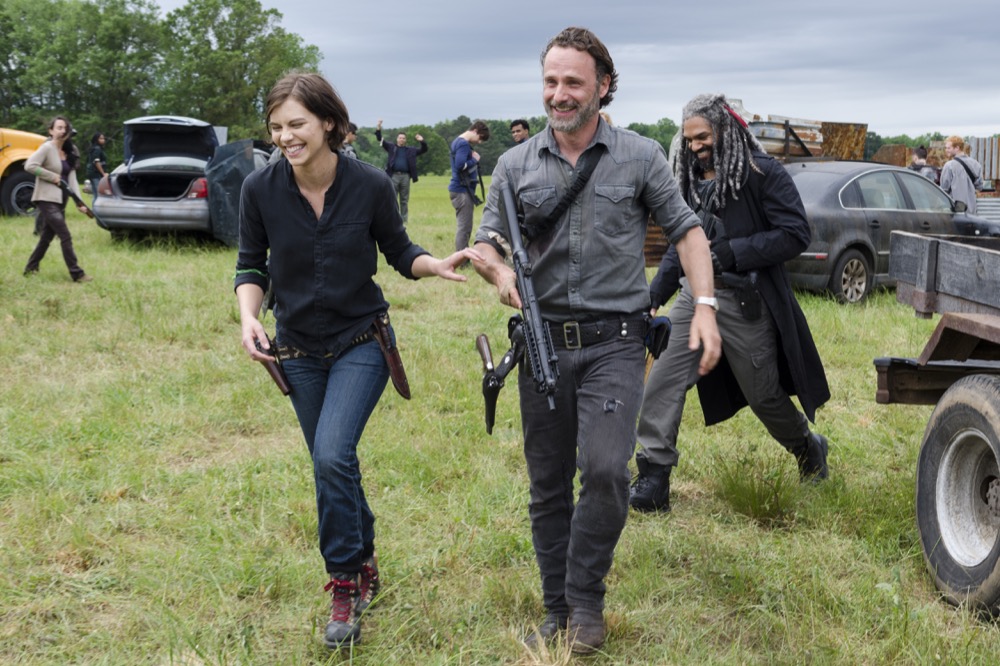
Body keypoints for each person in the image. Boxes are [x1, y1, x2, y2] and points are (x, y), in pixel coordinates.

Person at [471, 27, 721, 654]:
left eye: (572, 82)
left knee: (608, 471)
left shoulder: (639, 157)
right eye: (550, 82)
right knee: (548, 481)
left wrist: (707, 308)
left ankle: (587, 601)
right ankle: (558, 610)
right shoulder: (513, 165)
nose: (558, 95)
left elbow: (688, 233)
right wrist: (500, 271)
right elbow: (485, 241)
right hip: (541, 340)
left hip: (615, 341)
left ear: (603, 86)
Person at [234, 72, 480, 650]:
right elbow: (251, 266)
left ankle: (344, 582)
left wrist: (433, 264)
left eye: (296, 124)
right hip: (294, 349)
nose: (285, 137)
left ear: (328, 123)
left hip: (360, 343)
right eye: (276, 128)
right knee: (332, 464)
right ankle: (365, 559)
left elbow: (400, 251)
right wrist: (249, 316)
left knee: (331, 454)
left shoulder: (368, 184)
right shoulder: (259, 190)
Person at [629, 93, 831, 514]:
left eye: (701, 137)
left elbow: (796, 233)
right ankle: (653, 475)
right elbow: (680, 245)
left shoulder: (763, 173)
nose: (694, 147)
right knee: (663, 380)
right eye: (688, 140)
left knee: (764, 397)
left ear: (725, 130)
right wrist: (652, 298)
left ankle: (807, 447)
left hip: (747, 301)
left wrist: (733, 252)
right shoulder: (689, 178)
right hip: (692, 299)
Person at [23, 116, 93, 283]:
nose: (62, 131)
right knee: (65, 235)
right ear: (51, 131)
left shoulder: (70, 151)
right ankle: (77, 273)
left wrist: (79, 203)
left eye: (65, 128)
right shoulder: (47, 148)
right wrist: (51, 176)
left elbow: (72, 180)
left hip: (62, 199)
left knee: (46, 237)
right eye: (59, 128)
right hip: (46, 198)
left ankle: (30, 268)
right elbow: (29, 165)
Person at [448, 120, 490, 255]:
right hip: (461, 190)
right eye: (480, 138)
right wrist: (475, 160)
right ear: (475, 131)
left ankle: (462, 258)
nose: (479, 142)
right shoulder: (463, 144)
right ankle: (462, 260)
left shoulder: (458, 141)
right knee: (464, 228)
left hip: (460, 189)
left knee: (464, 227)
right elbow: (460, 166)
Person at [374, 120, 428, 224]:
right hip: (393, 176)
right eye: (400, 138)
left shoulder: (411, 150)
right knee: (392, 198)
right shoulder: (391, 147)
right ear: (397, 139)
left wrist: (422, 141)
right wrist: (378, 127)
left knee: (404, 200)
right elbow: (379, 139)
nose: (401, 139)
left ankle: (404, 220)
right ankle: (393, 219)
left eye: (403, 138)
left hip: (405, 177)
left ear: (406, 140)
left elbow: (424, 150)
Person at [940, 135, 983, 214]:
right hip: (971, 212)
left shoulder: (949, 166)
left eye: (948, 148)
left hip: (955, 212)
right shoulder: (976, 164)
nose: (946, 150)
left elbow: (943, 190)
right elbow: (979, 187)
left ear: (957, 148)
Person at [86, 132, 108, 202]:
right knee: (99, 194)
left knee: (96, 195)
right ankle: (97, 211)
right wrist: (103, 173)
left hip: (92, 173)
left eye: (103, 138)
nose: (103, 140)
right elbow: (96, 162)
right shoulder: (97, 149)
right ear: (96, 139)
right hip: (95, 174)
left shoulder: (94, 148)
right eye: (101, 138)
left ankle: (94, 211)